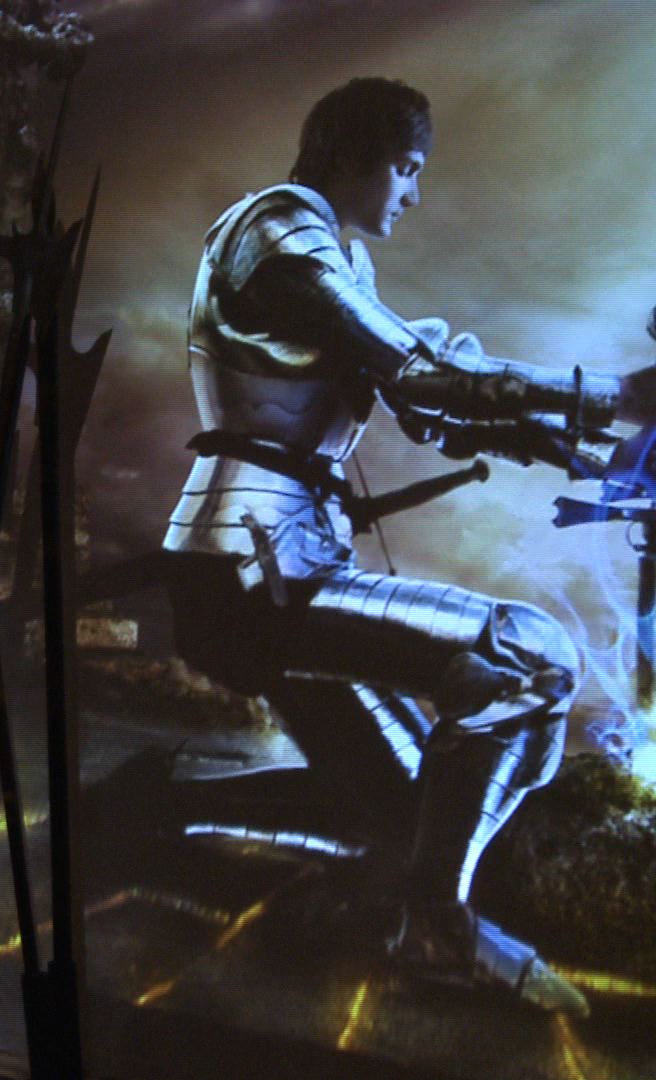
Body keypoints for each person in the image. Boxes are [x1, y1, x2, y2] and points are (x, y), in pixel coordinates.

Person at [162, 77, 656, 1013]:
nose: (413, 193)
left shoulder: (334, 260)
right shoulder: (279, 232)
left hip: (284, 565)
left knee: (404, 817)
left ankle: (167, 811)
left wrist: (558, 437)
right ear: (349, 154)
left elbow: (431, 402)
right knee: (531, 657)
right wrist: (617, 398)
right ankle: (437, 931)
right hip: (250, 567)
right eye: (404, 167)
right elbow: (426, 375)